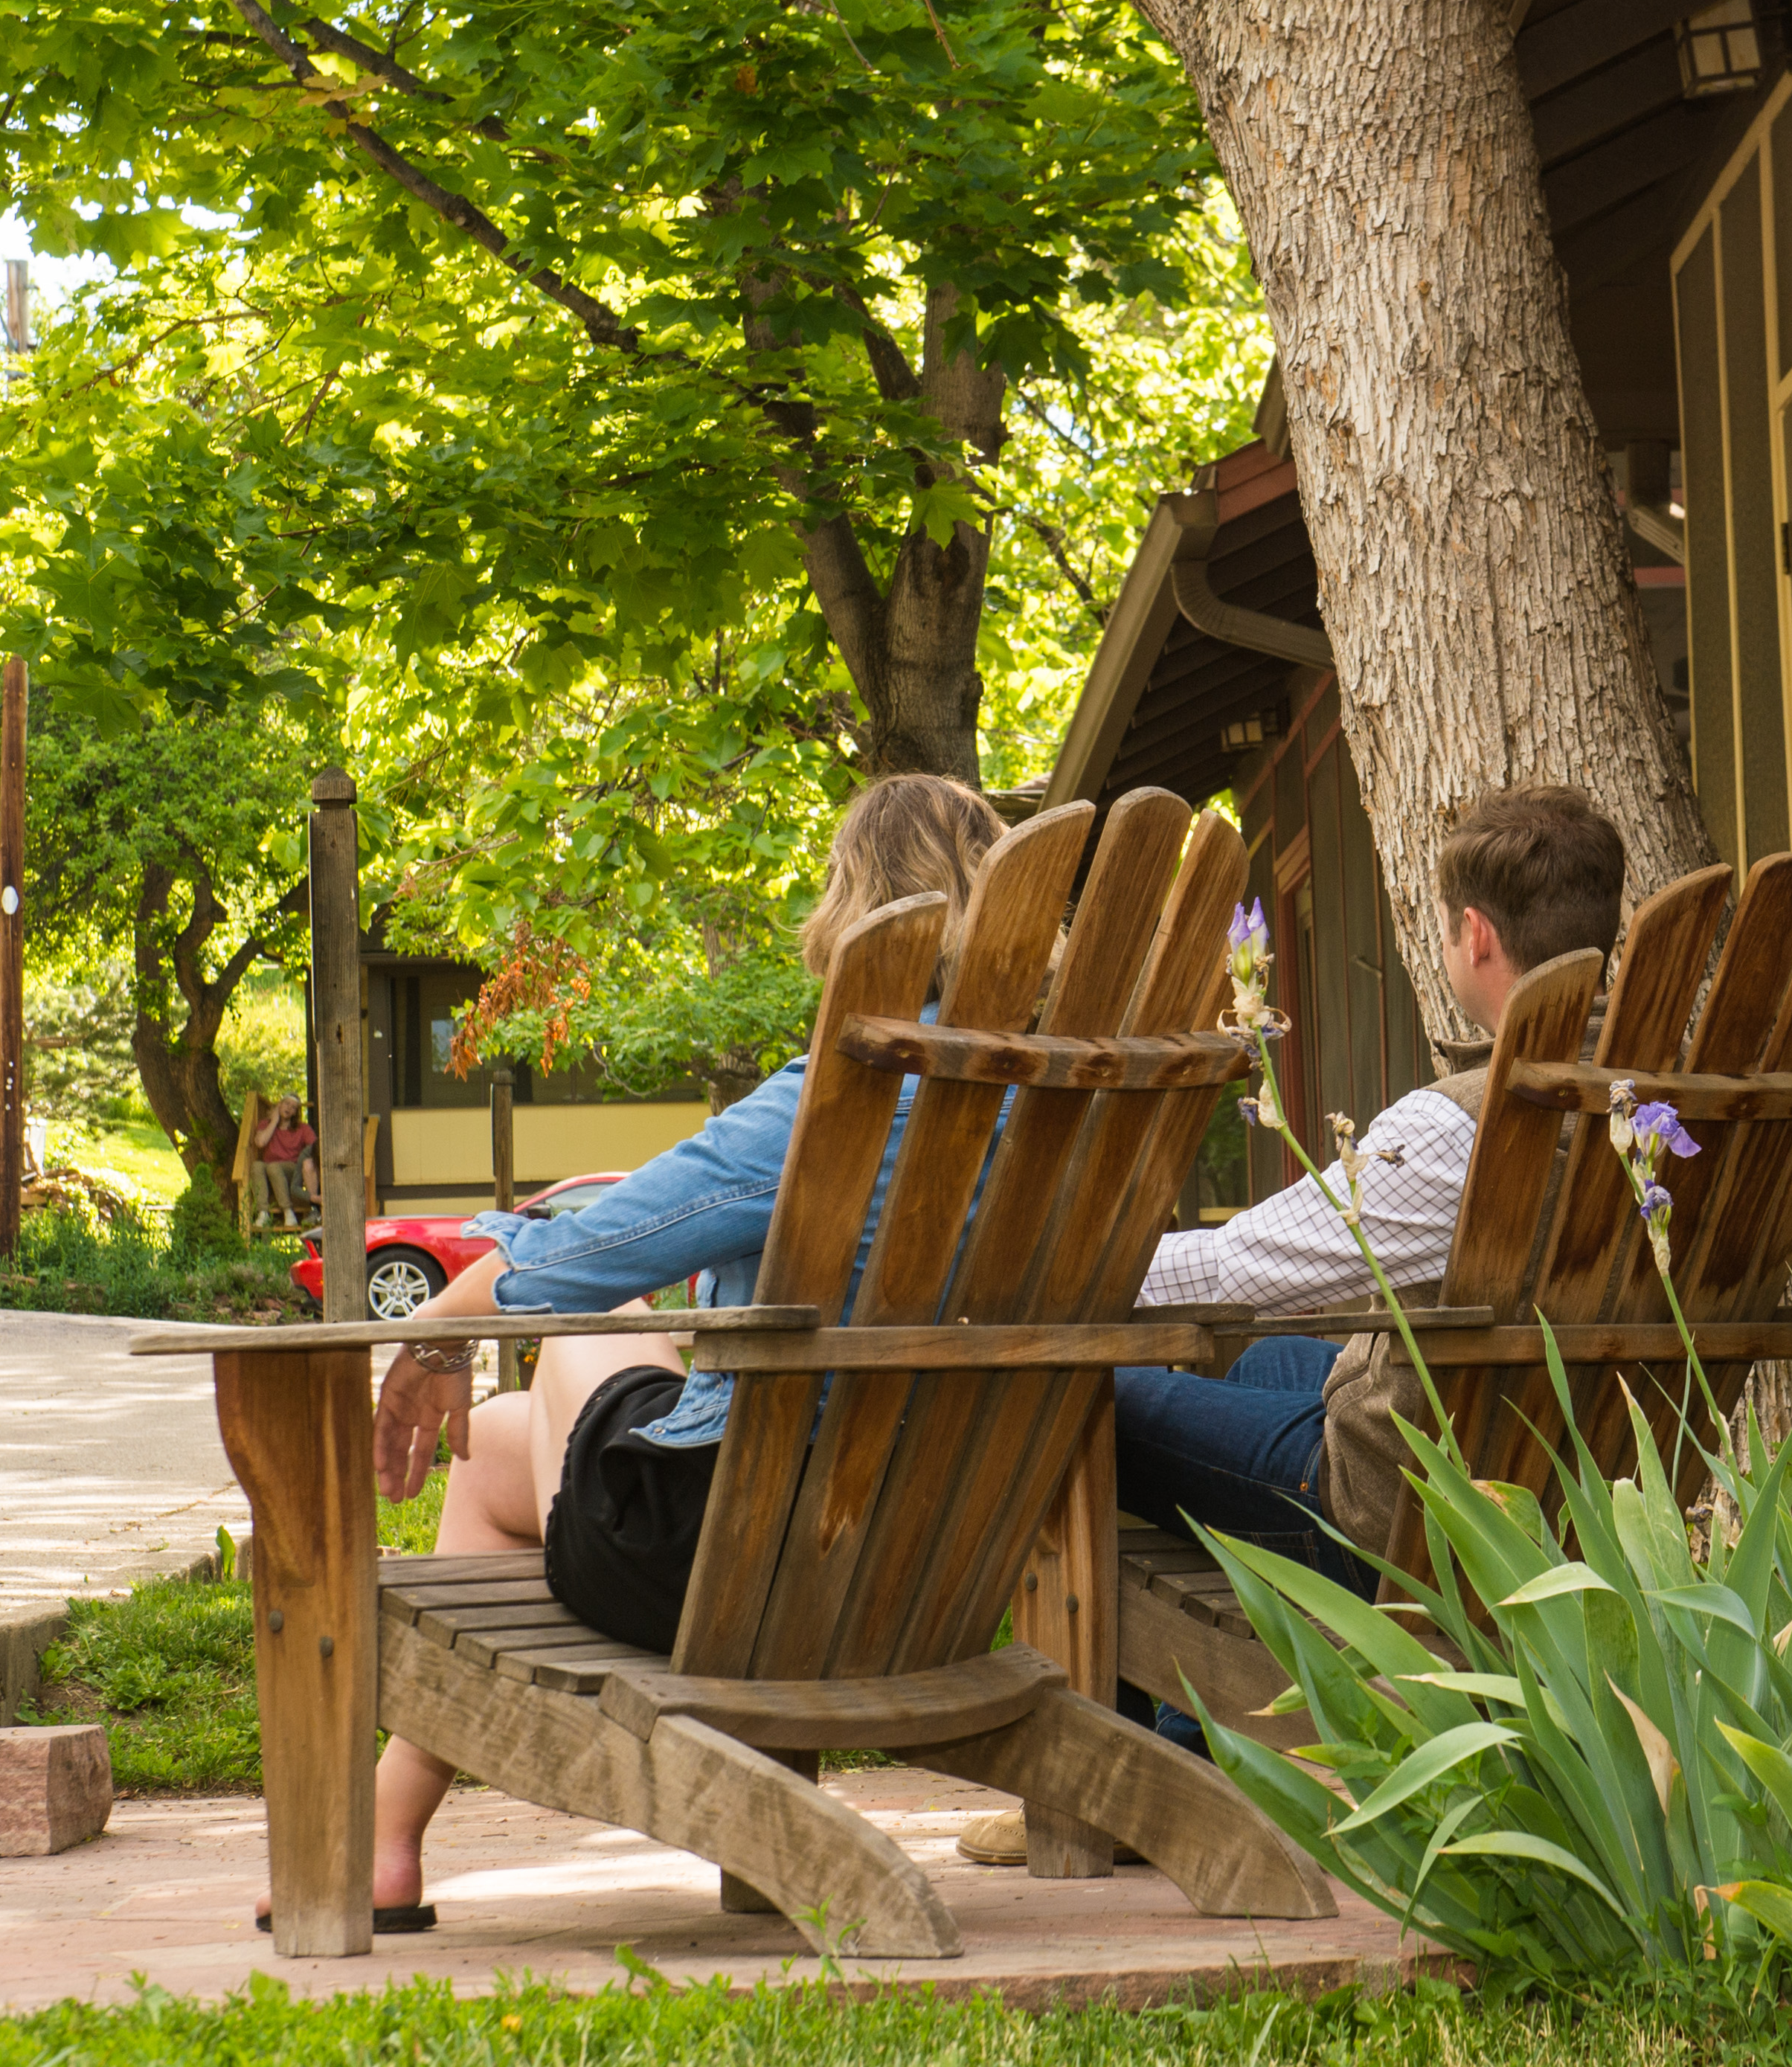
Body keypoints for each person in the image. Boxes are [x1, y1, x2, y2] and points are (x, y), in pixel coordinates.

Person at [286, 774, 1006, 1932]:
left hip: (733, 1558)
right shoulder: (1056, 1098)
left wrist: (438, 1328)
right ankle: (387, 1833)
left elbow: (593, 1257)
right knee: (492, 1453)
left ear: (855, 905)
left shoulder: (832, 1103)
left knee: (601, 1326)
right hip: (933, 1543)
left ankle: (384, 1838)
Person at [948, 785, 1626, 1866]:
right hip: (1567, 1492)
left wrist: (1036, 1276)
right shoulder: (1657, 1104)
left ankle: (1124, 1779)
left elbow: (1236, 1265)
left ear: (1477, 936)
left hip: (1396, 1513)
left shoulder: (1465, 1128)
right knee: (1273, 1364)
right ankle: (1197, 1744)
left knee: (1093, 1398)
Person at [254, 1099, 316, 1227]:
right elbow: (260, 1143)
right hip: (270, 1170)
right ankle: (263, 1213)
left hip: (291, 1169)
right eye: (287, 1104)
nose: (289, 1108)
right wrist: (275, 1121)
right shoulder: (265, 1124)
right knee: (257, 1166)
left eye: (293, 1107)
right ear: (279, 1105)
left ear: (295, 1113)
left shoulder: (302, 1128)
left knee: (273, 1167)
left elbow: (315, 1147)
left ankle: (288, 1212)